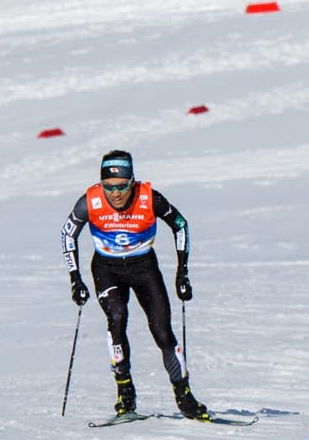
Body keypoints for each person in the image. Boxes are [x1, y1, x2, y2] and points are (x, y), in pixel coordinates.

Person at [61, 150, 210, 420]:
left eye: (122, 186)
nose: (115, 194)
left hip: (144, 267)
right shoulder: (90, 202)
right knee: (117, 317)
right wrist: (75, 278)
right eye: (108, 187)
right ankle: (125, 393)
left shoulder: (149, 198)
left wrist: (182, 272)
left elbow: (180, 225)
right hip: (107, 268)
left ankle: (184, 395)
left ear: (132, 181)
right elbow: (68, 233)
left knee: (162, 333)